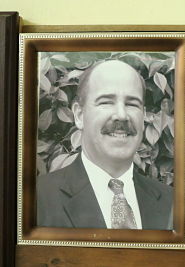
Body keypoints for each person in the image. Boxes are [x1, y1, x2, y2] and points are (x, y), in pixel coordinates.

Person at [37, 60, 173, 230]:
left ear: (143, 116)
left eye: (132, 104)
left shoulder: (173, 203)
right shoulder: (35, 200)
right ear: (79, 115)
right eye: (106, 102)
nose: (122, 115)